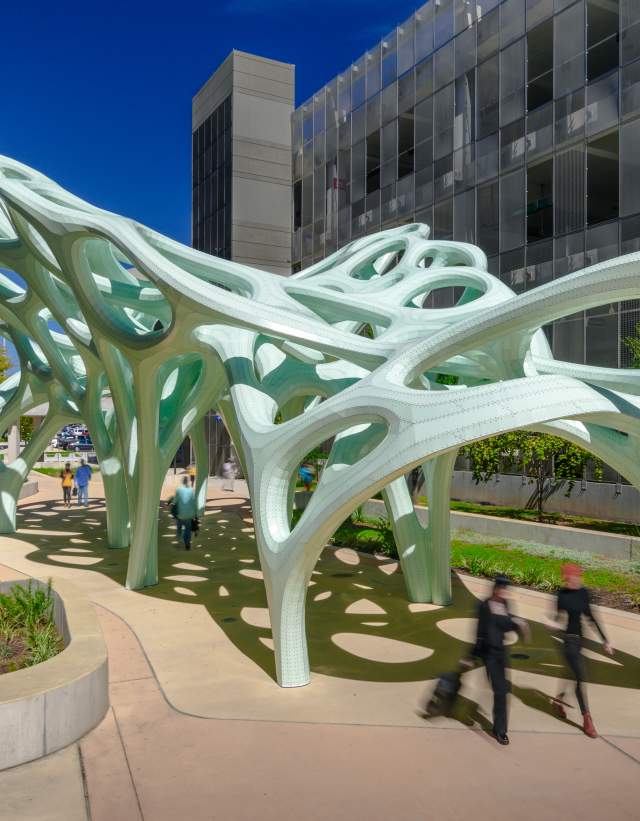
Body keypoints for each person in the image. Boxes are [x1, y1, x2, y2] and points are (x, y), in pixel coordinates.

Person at [547, 563, 614, 738]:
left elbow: (591, 617)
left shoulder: (584, 593)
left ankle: (558, 701)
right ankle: (587, 719)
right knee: (579, 677)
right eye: (572, 576)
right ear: (567, 578)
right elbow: (557, 618)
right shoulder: (561, 595)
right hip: (568, 640)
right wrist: (552, 623)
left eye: (577, 576)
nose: (576, 579)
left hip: (580, 640)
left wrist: (604, 640)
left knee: (571, 673)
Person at [470, 575, 529, 745]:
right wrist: (471, 656)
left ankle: (500, 728)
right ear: (495, 588)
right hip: (488, 654)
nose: (504, 592)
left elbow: (507, 625)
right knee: (500, 690)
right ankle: (500, 730)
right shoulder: (484, 606)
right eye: (502, 588)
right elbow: (479, 633)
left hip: (501, 653)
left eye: (506, 589)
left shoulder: (505, 604)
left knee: (502, 691)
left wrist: (518, 624)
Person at [173, 476, 196, 550]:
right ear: (188, 481)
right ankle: (187, 543)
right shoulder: (191, 490)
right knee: (188, 530)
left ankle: (179, 538)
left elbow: (175, 501)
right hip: (189, 515)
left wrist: (172, 503)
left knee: (179, 527)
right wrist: (194, 514)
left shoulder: (178, 490)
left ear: (182, 481)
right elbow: (193, 502)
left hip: (180, 514)